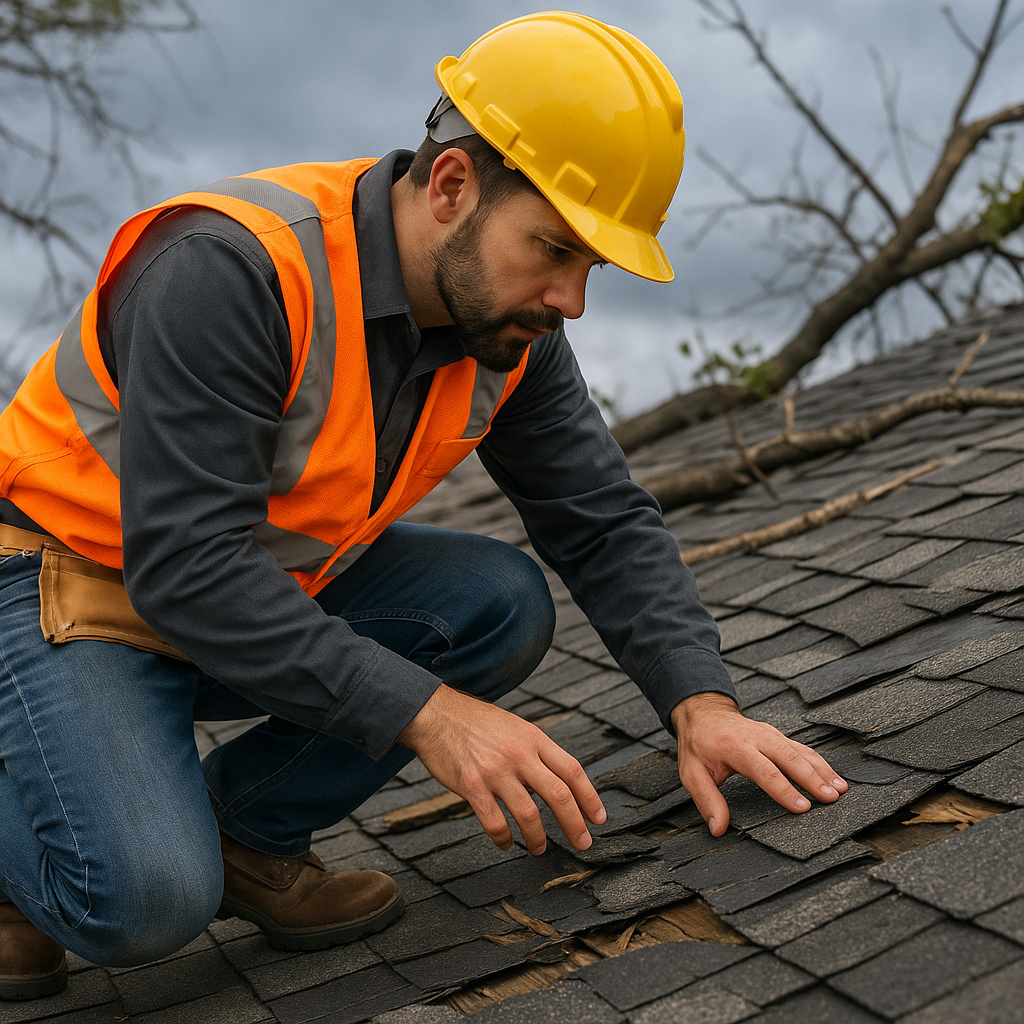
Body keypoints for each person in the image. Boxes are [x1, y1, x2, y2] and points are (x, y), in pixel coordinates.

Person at [0, 11, 847, 1001]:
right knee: (143, 902)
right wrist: (432, 716)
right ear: (451, 185)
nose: (571, 298)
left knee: (496, 599)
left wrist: (701, 704)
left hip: (226, 601)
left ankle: (244, 831)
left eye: (593, 268)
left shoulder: (511, 325)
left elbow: (602, 520)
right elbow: (189, 565)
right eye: (554, 248)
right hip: (55, 589)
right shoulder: (230, 270)